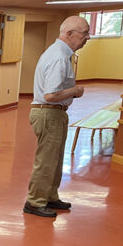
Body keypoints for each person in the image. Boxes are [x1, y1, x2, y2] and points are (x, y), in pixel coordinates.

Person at [24, 16, 90, 218]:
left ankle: (50, 195)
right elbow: (51, 95)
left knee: (55, 158)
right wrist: (75, 91)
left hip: (54, 113)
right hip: (48, 112)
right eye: (85, 33)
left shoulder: (61, 54)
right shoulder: (58, 57)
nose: (87, 38)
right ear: (69, 34)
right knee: (46, 160)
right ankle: (34, 202)